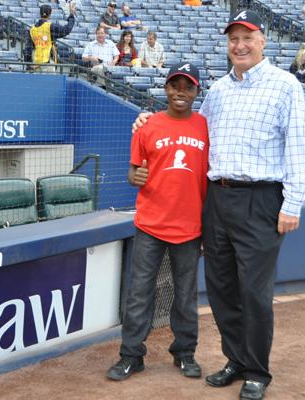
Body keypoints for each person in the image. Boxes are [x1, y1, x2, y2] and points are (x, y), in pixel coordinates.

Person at [132, 10, 305, 400]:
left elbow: (299, 149)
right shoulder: (217, 91)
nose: (240, 45)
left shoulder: (284, 85)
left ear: (262, 41)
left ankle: (256, 371)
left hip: (261, 198)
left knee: (253, 291)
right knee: (221, 287)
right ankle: (235, 358)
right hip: (217, 198)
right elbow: (188, 127)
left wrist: (293, 204)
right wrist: (146, 120)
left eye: (247, 38)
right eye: (233, 39)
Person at [106, 62, 208, 383]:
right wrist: (133, 176)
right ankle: (131, 355)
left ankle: (185, 353)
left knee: (186, 295)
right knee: (139, 293)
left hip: (190, 227)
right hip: (150, 224)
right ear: (165, 88)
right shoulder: (147, 127)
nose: (180, 92)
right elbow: (132, 172)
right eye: (175, 85)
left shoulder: (206, 127)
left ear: (196, 91)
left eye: (187, 86)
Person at [24, 3, 76, 69]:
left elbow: (28, 49)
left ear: (40, 13)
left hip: (35, 62)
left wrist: (28, 64)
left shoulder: (32, 30)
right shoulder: (50, 26)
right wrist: (71, 16)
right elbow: (66, 30)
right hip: (47, 62)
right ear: (50, 14)